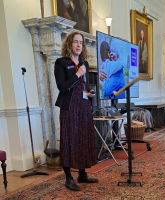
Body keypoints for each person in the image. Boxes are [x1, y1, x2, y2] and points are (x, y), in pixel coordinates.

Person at [54, 32, 98, 191]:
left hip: (83, 105)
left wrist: (89, 92)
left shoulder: (84, 62)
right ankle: (68, 178)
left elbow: (81, 87)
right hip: (69, 107)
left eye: (81, 42)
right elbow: (62, 87)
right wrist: (78, 74)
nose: (79, 45)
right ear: (69, 44)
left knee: (83, 138)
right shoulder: (61, 63)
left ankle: (82, 173)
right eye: (75, 42)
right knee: (69, 139)